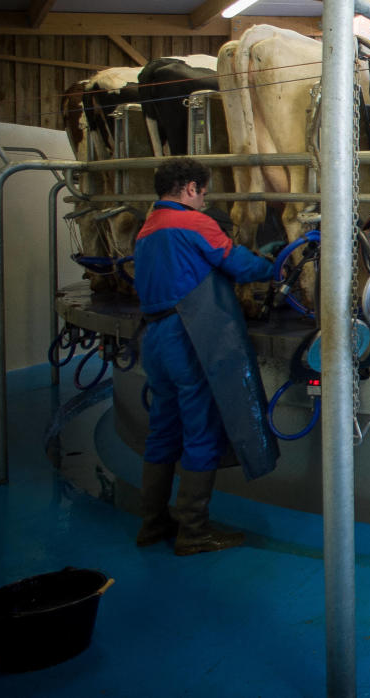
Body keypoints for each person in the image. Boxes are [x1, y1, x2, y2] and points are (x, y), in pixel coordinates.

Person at [133, 157, 274, 555]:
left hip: (154, 338)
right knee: (201, 431)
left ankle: (152, 523)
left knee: (162, 430)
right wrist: (274, 264)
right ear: (191, 188)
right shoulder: (192, 221)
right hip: (188, 338)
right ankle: (193, 530)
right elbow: (237, 264)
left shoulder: (148, 227)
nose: (204, 198)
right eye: (204, 191)